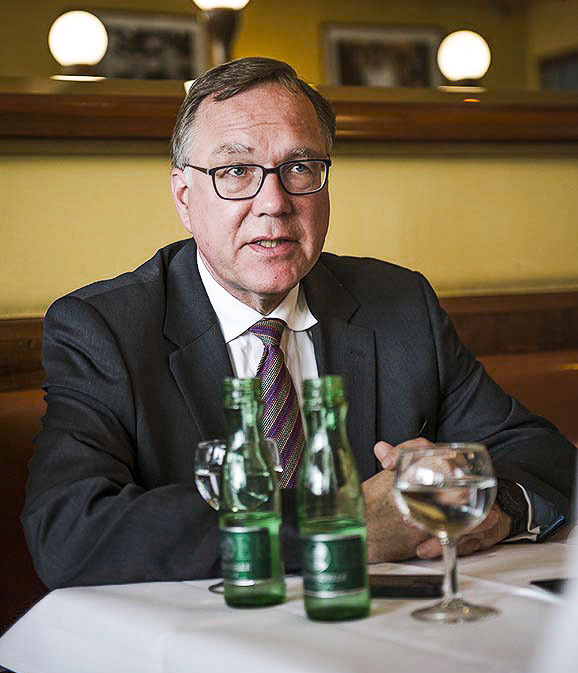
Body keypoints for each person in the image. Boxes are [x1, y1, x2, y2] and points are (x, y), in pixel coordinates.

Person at [22, 57, 575, 588]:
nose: (274, 202)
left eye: (300, 167)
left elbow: (540, 452)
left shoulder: (400, 305)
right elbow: (68, 529)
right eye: (236, 171)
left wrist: (499, 508)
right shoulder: (103, 328)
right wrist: (340, 522)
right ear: (185, 198)